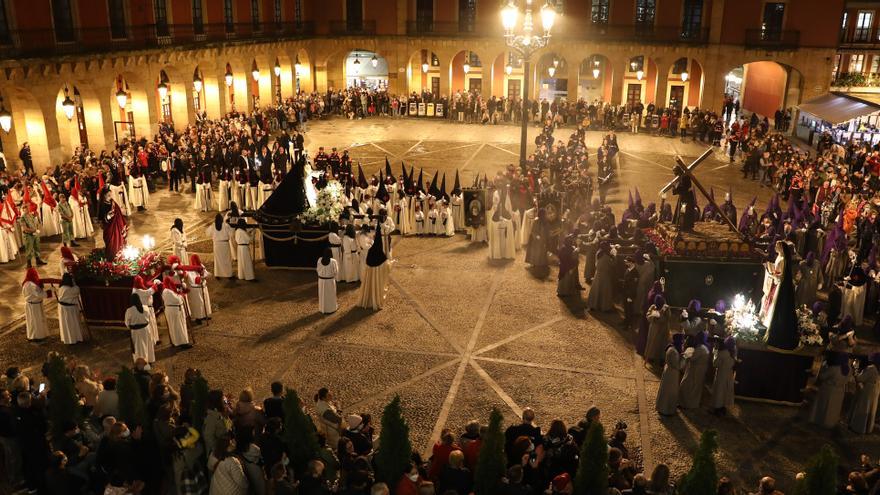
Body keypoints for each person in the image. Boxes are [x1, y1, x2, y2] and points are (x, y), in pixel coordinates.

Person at [760, 241, 799, 350]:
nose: (776, 247)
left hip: (778, 285)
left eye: (778, 246)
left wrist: (771, 273)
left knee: (773, 303)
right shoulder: (779, 257)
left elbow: (781, 276)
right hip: (774, 282)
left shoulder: (782, 260)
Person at [810, 351, 850, 428]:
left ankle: (821, 421)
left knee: (825, 406)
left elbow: (822, 376)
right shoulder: (849, 369)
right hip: (840, 390)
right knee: (834, 408)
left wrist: (823, 366)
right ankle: (831, 422)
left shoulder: (834, 368)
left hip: (828, 389)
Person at [357, 227, 391, 310]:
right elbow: (386, 266)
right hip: (376, 277)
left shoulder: (371, 252)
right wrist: (391, 263)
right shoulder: (380, 255)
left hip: (370, 275)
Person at [849, 353, 880, 434]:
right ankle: (868, 428)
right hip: (876, 390)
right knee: (871, 408)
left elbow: (859, 378)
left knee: (863, 407)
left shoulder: (872, 368)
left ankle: (859, 427)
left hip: (868, 390)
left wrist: (855, 369)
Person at [679, 332, 710, 409]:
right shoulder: (704, 347)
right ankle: (692, 404)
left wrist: (685, 355)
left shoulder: (700, 348)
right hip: (700, 369)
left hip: (695, 369)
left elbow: (693, 359)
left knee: (688, 385)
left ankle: (687, 404)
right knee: (696, 387)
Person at [656, 334, 685, 416]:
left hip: (669, 372)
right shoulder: (674, 352)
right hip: (672, 374)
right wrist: (684, 358)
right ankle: (666, 409)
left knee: (665, 390)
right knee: (669, 391)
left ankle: (663, 407)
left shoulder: (671, 348)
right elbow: (678, 366)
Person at [161, 275, 191, 348]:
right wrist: (182, 294)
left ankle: (178, 342)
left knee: (177, 326)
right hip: (174, 310)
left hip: (175, 310)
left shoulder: (168, 290)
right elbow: (178, 300)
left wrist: (180, 292)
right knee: (178, 327)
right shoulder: (168, 291)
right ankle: (182, 343)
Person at [125, 293, 155, 364]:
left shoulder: (129, 310)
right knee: (148, 345)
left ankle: (142, 363)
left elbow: (127, 323)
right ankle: (150, 360)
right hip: (146, 330)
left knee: (139, 348)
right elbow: (149, 318)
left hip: (136, 332)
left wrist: (130, 326)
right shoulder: (146, 308)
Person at [710, 336, 737, 416]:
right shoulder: (733, 352)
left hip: (721, 374)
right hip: (729, 374)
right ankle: (723, 408)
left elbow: (715, 364)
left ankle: (717, 409)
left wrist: (715, 353)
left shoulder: (722, 352)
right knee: (725, 390)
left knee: (719, 391)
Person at [56, 273, 84, 345]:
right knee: (72, 324)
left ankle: (67, 338)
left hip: (62, 308)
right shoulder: (71, 289)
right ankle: (74, 338)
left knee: (66, 325)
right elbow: (77, 289)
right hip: (70, 309)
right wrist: (74, 283)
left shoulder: (61, 288)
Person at [22, 267, 49, 341]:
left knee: (33, 321)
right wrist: (48, 293)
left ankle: (34, 336)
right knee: (36, 321)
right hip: (34, 305)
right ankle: (37, 337)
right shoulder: (31, 285)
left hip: (32, 304)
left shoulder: (26, 283)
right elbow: (39, 294)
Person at [586, 241, 614, 311]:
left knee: (597, 289)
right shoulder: (606, 256)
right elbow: (612, 265)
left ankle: (594, 304)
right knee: (604, 290)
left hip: (597, 274)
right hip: (605, 275)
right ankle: (604, 306)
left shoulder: (598, 253)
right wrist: (614, 256)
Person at [132, 275, 160, 345]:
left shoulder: (138, 288)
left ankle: (155, 339)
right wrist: (155, 284)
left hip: (150, 308)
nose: (142, 282)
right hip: (145, 310)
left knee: (153, 324)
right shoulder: (137, 291)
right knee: (150, 325)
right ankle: (152, 341)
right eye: (141, 281)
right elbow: (148, 292)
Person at [644, 295, 671, 365]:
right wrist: (654, 318)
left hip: (663, 329)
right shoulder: (653, 307)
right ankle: (650, 357)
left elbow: (667, 318)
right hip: (654, 328)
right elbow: (648, 315)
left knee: (662, 343)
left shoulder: (666, 308)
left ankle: (661, 359)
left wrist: (661, 317)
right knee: (652, 343)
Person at [185, 254, 212, 322]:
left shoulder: (201, 266)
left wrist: (205, 275)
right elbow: (193, 280)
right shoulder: (190, 270)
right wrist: (200, 278)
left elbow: (206, 273)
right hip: (195, 289)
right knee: (197, 303)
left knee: (204, 301)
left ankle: (205, 315)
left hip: (203, 286)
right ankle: (198, 317)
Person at [207, 214, 234, 279]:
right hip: (224, 244)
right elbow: (232, 234)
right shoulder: (225, 225)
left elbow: (207, 233)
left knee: (217, 260)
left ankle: (218, 274)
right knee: (226, 260)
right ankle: (228, 274)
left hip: (217, 245)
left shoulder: (213, 226)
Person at [21, 202, 46, 267]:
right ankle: (29, 263)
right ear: (23, 209)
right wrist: (35, 230)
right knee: (29, 249)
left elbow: (36, 223)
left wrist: (37, 216)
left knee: (37, 247)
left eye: (28, 207)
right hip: (28, 235)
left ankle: (38, 260)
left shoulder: (30, 215)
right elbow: (25, 229)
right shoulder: (22, 217)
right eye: (25, 208)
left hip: (35, 234)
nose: (27, 209)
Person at [317, 248, 339, 314]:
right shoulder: (333, 261)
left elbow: (318, 269)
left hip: (321, 281)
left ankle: (322, 308)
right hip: (330, 281)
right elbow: (336, 272)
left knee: (322, 294)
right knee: (330, 295)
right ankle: (331, 309)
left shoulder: (319, 260)